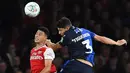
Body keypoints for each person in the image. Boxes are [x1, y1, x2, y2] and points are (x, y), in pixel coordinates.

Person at [46, 17, 127, 73]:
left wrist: (48, 42)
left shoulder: (67, 36)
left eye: (60, 30)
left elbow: (54, 48)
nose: (59, 33)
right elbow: (101, 38)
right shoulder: (84, 31)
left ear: (67, 28)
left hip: (75, 65)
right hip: (88, 69)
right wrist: (116, 42)